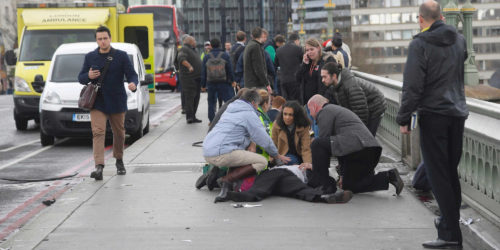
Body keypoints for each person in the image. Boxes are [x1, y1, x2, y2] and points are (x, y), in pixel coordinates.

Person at [396, 1, 468, 248]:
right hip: (457, 114)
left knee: (438, 176)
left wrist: (404, 118)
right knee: (450, 173)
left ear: (420, 19)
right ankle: (448, 226)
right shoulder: (459, 40)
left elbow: (413, 86)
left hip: (434, 114)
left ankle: (450, 237)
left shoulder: (420, 43)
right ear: (442, 18)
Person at [203, 89, 290, 202]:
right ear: (254, 103)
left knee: (239, 154)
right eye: (257, 105)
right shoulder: (249, 113)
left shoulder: (231, 109)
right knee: (261, 162)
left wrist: (250, 143)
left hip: (207, 150)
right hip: (222, 153)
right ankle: (226, 180)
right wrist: (276, 155)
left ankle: (225, 190)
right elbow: (264, 139)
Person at [307, 95, 403, 195]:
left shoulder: (325, 111)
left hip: (358, 148)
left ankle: (323, 185)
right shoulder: (337, 111)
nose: (310, 114)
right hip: (369, 150)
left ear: (314, 106)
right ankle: (389, 176)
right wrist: (342, 175)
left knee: (317, 144)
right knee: (349, 185)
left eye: (309, 110)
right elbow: (339, 146)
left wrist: (315, 166)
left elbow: (324, 144)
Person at [78, 26, 138, 180]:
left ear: (110, 38)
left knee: (119, 133)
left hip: (117, 100)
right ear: (96, 40)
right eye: (100, 39)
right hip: (98, 102)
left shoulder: (121, 56)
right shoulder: (90, 57)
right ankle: (99, 166)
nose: (103, 41)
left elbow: (132, 74)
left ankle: (119, 159)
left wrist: (133, 84)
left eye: (105, 38)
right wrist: (88, 75)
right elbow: (81, 78)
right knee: (98, 132)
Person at [222, 165, 353, 204]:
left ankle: (326, 197)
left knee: (300, 189)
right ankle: (323, 197)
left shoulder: (316, 174)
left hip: (282, 174)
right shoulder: (316, 173)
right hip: (283, 179)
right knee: (300, 190)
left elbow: (327, 182)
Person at [321, 61, 386, 136]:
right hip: (366, 106)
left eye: (325, 77)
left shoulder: (350, 86)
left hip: (376, 106)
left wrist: (358, 131)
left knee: (367, 137)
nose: (322, 80)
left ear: (334, 76)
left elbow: (361, 111)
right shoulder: (334, 86)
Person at [200, 38, 236, 124]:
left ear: (211, 46)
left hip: (211, 83)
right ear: (220, 45)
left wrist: (203, 85)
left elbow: (203, 72)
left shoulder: (206, 57)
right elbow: (229, 69)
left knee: (211, 102)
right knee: (227, 101)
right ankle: (229, 118)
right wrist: (232, 80)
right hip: (223, 82)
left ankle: (212, 120)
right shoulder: (225, 55)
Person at [296, 38, 336, 105]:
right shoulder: (308, 63)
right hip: (308, 102)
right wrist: (304, 64)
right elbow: (298, 78)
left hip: (323, 101)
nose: (309, 52)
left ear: (318, 48)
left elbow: (333, 82)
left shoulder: (327, 60)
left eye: (312, 49)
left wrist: (325, 98)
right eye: (307, 50)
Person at [272, 101, 312, 166]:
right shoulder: (276, 125)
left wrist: (307, 163)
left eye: (291, 115)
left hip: (300, 155)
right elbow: (273, 144)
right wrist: (276, 158)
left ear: (296, 115)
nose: (287, 117)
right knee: (290, 160)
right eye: (285, 114)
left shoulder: (303, 126)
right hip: (283, 156)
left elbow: (306, 148)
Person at [177, 35, 202, 124]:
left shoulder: (193, 50)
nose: (195, 42)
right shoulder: (184, 49)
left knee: (196, 97)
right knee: (190, 97)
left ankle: (193, 116)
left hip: (197, 78)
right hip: (189, 78)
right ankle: (189, 117)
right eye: (194, 41)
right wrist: (189, 66)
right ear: (189, 42)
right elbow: (181, 59)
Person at [275, 33, 303, 101]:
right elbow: (302, 62)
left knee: (286, 101)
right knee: (296, 102)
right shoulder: (299, 49)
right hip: (295, 80)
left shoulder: (279, 50)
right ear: (296, 40)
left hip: (284, 80)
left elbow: (276, 64)